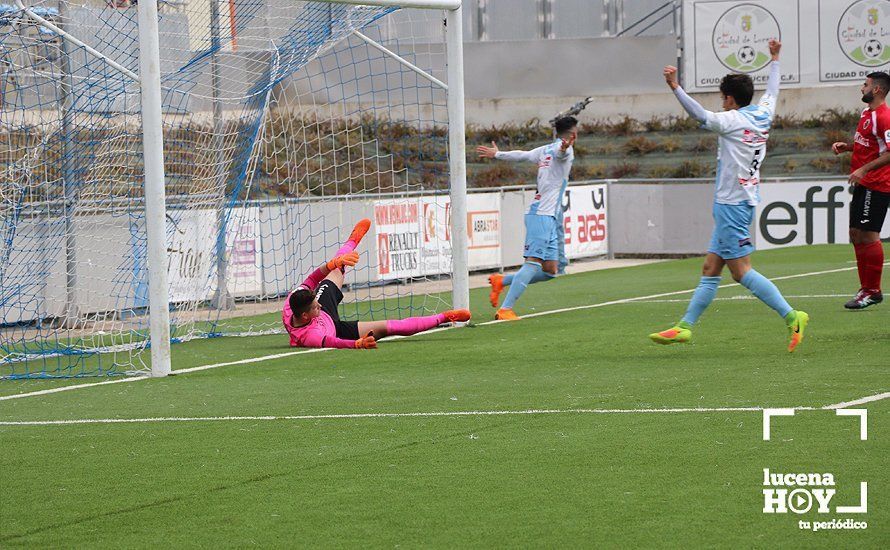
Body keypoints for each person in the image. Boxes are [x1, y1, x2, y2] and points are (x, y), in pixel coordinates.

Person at [649, 39, 809, 352]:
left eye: (723, 98)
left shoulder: (732, 121)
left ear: (730, 98)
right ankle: (684, 327)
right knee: (711, 268)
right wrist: (775, 59)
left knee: (741, 271)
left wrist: (674, 87)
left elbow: (699, 116)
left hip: (732, 204)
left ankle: (793, 316)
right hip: (741, 199)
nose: (721, 103)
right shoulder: (763, 113)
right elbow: (773, 91)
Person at [283, 219, 471, 349]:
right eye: (316, 306)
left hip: (325, 318)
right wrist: (357, 344)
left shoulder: (293, 303)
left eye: (317, 301)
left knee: (337, 266)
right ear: (306, 315)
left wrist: (330, 265)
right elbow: (334, 342)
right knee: (390, 328)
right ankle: (445, 317)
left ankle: (353, 239)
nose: (320, 304)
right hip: (337, 330)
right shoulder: (311, 336)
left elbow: (310, 281)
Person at [477, 116, 578, 320]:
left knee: (550, 270)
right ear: (573, 134)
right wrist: (565, 149)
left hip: (547, 215)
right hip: (541, 215)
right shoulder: (563, 151)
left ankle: (501, 281)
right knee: (532, 263)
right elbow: (562, 154)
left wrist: (498, 154)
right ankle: (506, 309)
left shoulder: (544, 150)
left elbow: (521, 155)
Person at [830, 71, 890, 310]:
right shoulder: (867, 113)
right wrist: (848, 147)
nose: (861, 88)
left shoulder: (884, 117)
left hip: (877, 184)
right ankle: (864, 288)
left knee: (868, 235)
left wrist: (864, 169)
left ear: (876, 89)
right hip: (865, 183)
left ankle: (872, 291)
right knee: (855, 234)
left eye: (865, 85)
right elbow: (869, 145)